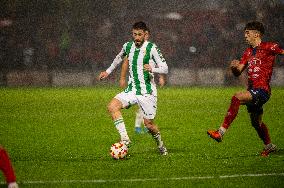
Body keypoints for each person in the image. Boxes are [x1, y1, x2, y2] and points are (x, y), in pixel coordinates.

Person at [207, 21, 284, 157]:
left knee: (237, 97)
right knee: (256, 123)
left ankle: (220, 132)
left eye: (247, 32)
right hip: (253, 89)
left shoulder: (269, 46)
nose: (245, 35)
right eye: (245, 33)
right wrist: (233, 67)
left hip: (262, 90)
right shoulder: (248, 52)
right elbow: (238, 72)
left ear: (257, 34)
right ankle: (269, 146)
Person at [98, 21, 168, 155]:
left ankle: (160, 145)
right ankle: (125, 139)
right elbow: (118, 58)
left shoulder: (152, 48)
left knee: (149, 125)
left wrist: (153, 68)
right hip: (132, 89)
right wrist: (107, 71)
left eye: (139, 35)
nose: (136, 37)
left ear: (145, 34)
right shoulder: (128, 46)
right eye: (134, 34)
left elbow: (165, 68)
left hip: (147, 92)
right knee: (112, 106)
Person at [119, 29, 166, 134]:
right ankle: (139, 127)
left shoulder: (151, 49)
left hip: (148, 82)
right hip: (136, 83)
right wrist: (122, 78)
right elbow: (125, 62)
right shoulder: (133, 48)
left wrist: (161, 77)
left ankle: (142, 126)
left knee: (143, 106)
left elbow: (158, 64)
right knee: (141, 105)